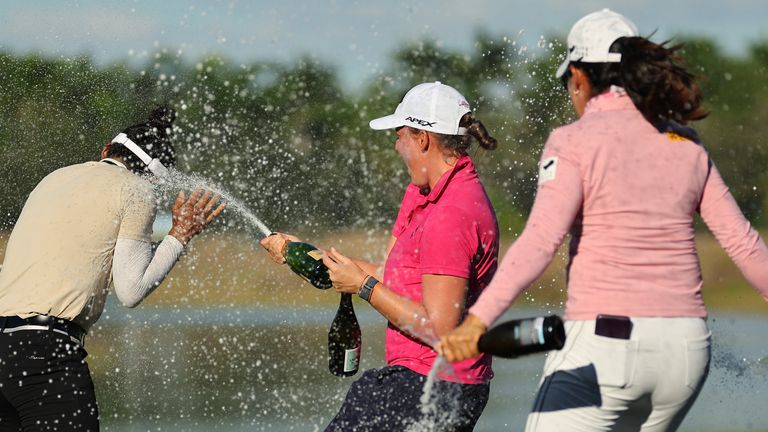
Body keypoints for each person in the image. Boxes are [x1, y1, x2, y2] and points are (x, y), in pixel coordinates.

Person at [438, 8, 768, 432]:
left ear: (579, 75)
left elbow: (540, 241)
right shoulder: (684, 141)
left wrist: (477, 322)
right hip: (685, 354)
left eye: (568, 83)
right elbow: (744, 243)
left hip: (607, 350)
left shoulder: (572, 140)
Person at [261, 82, 500, 431]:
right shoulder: (425, 194)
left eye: (400, 135)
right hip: (416, 381)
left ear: (423, 139)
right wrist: (303, 254)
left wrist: (364, 286)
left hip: (434, 386)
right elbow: (394, 276)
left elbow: (439, 328)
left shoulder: (453, 213)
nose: (396, 145)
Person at [0, 107, 225, 431]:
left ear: (107, 150)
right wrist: (180, 235)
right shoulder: (137, 190)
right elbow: (131, 291)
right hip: (45, 355)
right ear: (153, 178)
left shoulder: (55, 177)